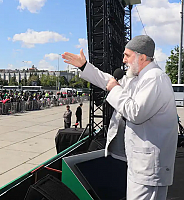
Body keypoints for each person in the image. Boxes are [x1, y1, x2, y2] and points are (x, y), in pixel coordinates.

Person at [62, 35, 178, 200]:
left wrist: (115, 89)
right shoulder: (139, 78)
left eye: (127, 55)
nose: (123, 60)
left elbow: (135, 113)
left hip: (148, 167)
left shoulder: (155, 78)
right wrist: (84, 66)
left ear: (142, 57)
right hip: (139, 164)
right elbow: (108, 81)